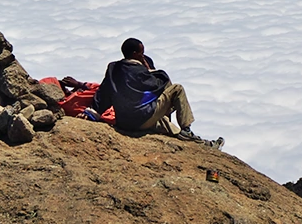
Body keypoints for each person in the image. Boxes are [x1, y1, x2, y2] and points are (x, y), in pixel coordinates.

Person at [85, 38, 223, 149]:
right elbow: (160, 83)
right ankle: (186, 129)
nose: (143, 55)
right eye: (141, 53)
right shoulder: (139, 71)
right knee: (177, 89)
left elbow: (104, 92)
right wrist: (149, 69)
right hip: (141, 119)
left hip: (124, 122)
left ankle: (199, 143)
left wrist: (93, 112)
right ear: (134, 54)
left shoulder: (113, 68)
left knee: (165, 125)